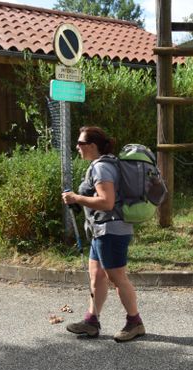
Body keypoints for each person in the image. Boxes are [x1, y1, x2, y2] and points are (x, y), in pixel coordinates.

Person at [61, 126, 144, 342]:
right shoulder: (103, 164)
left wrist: (77, 198)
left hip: (112, 230)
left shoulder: (102, 168)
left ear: (92, 146)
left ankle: (135, 322)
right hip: (102, 229)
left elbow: (106, 202)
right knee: (96, 276)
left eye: (80, 143)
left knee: (117, 277)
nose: (77, 147)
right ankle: (91, 321)